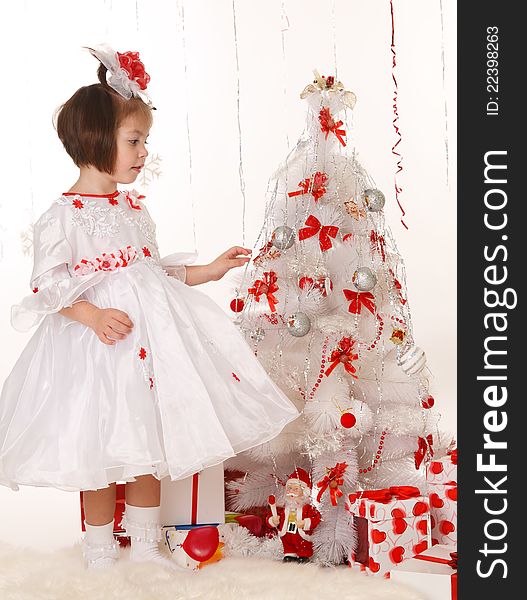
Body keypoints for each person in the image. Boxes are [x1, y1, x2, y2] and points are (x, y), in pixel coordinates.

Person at [0, 44, 299, 572]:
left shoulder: (133, 212)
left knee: (148, 440)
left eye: (145, 142)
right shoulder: (63, 216)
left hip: (144, 351)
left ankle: (144, 544)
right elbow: (47, 285)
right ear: (95, 139)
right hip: (94, 354)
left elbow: (149, 273)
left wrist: (206, 271)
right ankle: (98, 549)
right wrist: (91, 315)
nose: (143, 153)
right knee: (98, 452)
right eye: (134, 141)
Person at [267, 468, 321, 562]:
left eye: (296, 489)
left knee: (302, 543)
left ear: (305, 492)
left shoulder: (307, 508)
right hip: (287, 533)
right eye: (289, 488)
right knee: (288, 543)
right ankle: (289, 554)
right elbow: (271, 515)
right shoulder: (284, 507)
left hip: (300, 534)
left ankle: (303, 555)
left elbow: (316, 518)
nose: (291, 491)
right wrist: (273, 520)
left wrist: (305, 523)